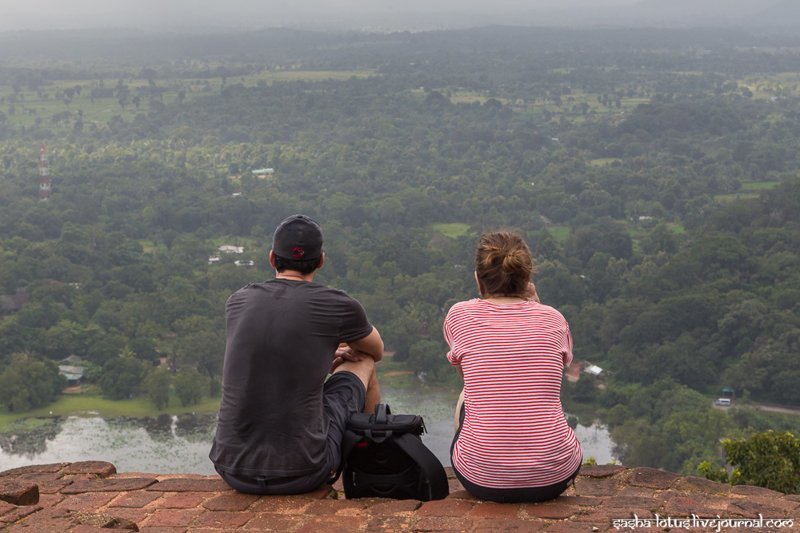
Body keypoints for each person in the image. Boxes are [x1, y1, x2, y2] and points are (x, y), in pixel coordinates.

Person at [209, 214, 383, 495]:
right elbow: (376, 350)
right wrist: (332, 349)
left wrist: (321, 354)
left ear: (272, 258)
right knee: (364, 362)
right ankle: (372, 468)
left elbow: (267, 358)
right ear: (321, 260)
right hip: (305, 471)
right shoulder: (337, 304)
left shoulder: (239, 300)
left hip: (232, 470)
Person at [444, 231, 581, 503]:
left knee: (466, 395)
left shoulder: (459, 315)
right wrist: (535, 302)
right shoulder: (554, 319)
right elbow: (553, 368)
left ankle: (487, 458)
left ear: (478, 278)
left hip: (482, 480)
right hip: (555, 477)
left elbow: (467, 376)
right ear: (527, 279)